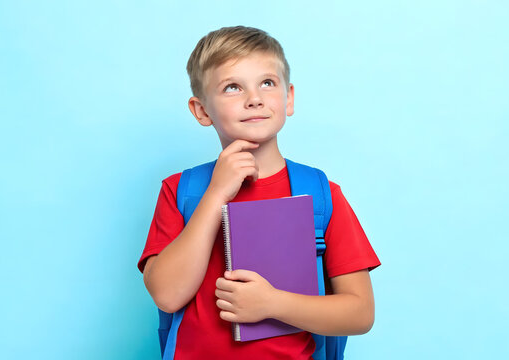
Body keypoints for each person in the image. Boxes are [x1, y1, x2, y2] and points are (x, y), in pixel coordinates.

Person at [137, 25, 381, 359]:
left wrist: (272, 303)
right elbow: (167, 295)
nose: (254, 98)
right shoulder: (180, 190)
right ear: (202, 111)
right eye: (232, 87)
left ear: (288, 97)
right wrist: (215, 195)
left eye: (267, 83)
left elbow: (359, 313)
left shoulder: (321, 194)